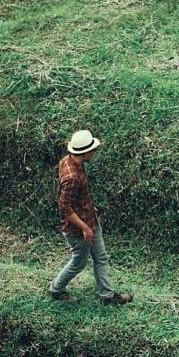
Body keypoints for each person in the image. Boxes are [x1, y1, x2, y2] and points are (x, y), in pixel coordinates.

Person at [50, 129, 133, 305]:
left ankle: (107, 296)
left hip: (90, 219)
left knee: (101, 257)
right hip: (78, 229)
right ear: (84, 152)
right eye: (92, 150)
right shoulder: (71, 177)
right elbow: (64, 207)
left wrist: (89, 209)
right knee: (78, 263)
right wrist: (85, 227)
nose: (93, 153)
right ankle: (56, 289)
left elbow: (75, 198)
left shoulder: (69, 161)